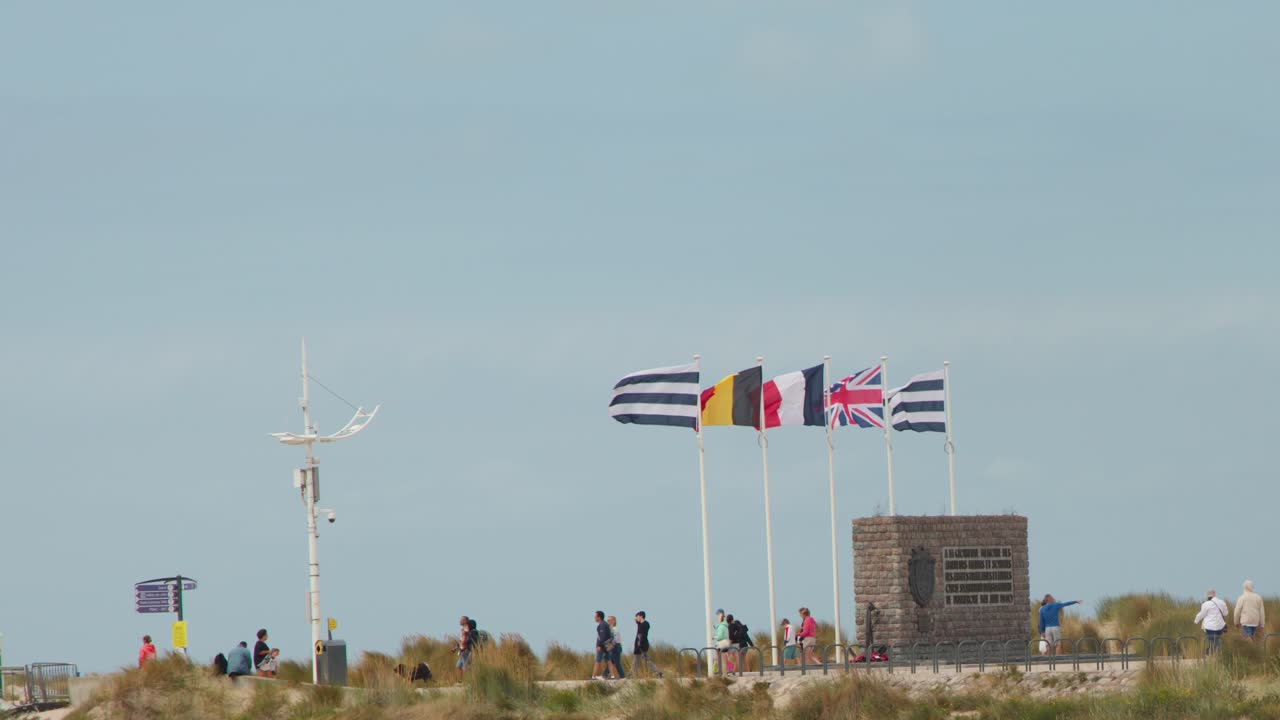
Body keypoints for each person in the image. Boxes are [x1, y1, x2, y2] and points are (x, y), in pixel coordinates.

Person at [1195, 589, 1230, 654]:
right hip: (1220, 626)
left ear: (1208, 596)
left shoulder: (1206, 604)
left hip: (1209, 627)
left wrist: (1196, 621)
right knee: (1216, 640)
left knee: (1212, 641)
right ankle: (1214, 653)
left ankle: (1214, 654)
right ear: (1214, 595)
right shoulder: (1222, 602)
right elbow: (1226, 613)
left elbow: (1202, 614)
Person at [590, 611, 622, 680]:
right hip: (607, 646)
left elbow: (602, 637)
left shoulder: (602, 625)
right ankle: (612, 676)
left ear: (599, 617)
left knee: (597, 660)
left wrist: (599, 646)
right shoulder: (604, 624)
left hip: (603, 646)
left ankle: (593, 677)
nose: (594, 618)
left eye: (595, 616)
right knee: (609, 660)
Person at [632, 611, 662, 677]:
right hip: (639, 645)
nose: (636, 618)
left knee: (644, 661)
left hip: (642, 645)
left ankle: (656, 672)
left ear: (641, 616)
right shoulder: (640, 624)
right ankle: (634, 674)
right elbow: (637, 623)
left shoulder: (645, 624)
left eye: (637, 616)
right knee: (639, 661)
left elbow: (642, 636)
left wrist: (639, 645)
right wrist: (636, 620)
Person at [713, 609, 731, 675]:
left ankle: (723, 672)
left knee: (720, 659)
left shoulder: (722, 626)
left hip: (721, 644)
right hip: (725, 643)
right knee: (725, 658)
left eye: (718, 615)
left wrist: (714, 637)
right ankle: (728, 670)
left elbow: (720, 636)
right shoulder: (724, 625)